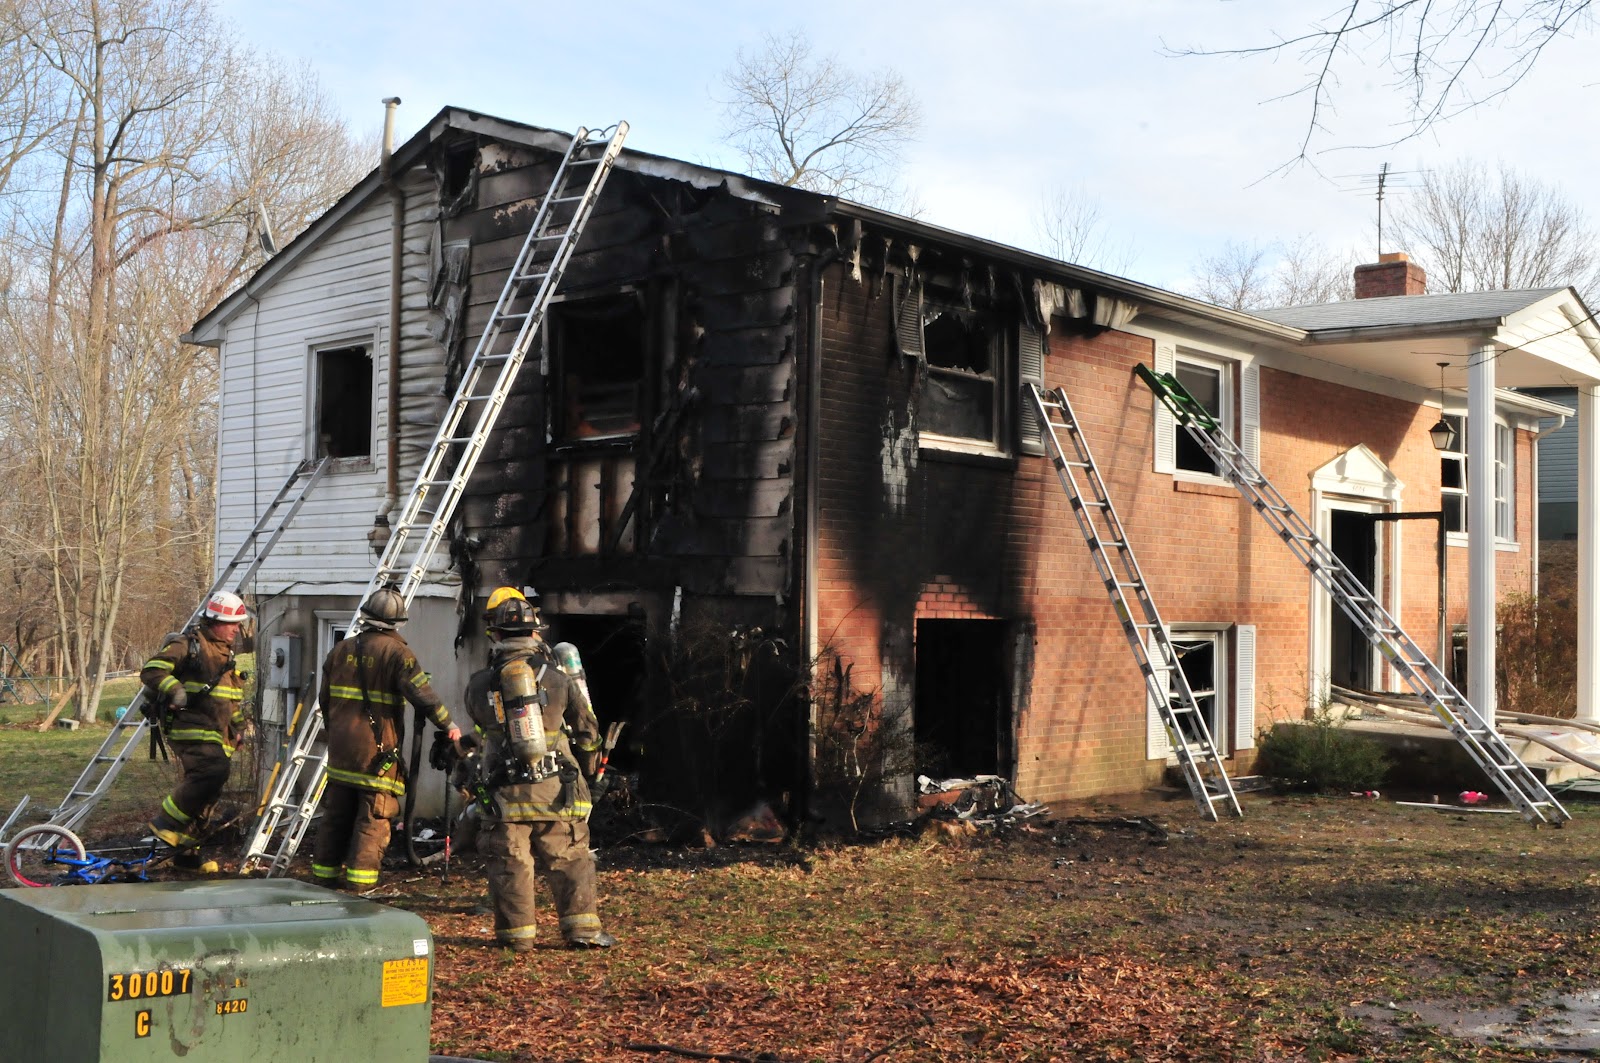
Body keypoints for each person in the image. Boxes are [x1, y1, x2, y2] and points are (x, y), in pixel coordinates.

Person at [463, 586, 614, 950]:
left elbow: (481, 729)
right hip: (556, 790)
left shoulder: (480, 683)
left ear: (495, 634)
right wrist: (591, 770)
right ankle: (582, 932)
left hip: (503, 795)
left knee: (511, 865)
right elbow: (587, 730)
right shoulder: (558, 678)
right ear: (535, 632)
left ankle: (517, 938)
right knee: (569, 859)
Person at [313, 585, 460, 890]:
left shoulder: (340, 650)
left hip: (340, 754)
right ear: (397, 623)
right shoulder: (398, 654)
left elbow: (324, 701)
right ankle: (360, 889)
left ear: (366, 617)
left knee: (336, 817)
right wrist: (450, 726)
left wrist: (338, 735)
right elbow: (423, 695)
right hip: (375, 757)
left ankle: (321, 881)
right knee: (373, 819)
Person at [143, 590, 252, 872]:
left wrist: (238, 727)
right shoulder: (189, 645)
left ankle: (187, 857)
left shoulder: (225, 655)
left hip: (217, 731)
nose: (237, 630)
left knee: (208, 795)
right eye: (233, 624)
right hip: (190, 728)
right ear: (216, 621)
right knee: (212, 772)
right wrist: (175, 689)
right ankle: (166, 822)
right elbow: (152, 670)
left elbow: (229, 701)